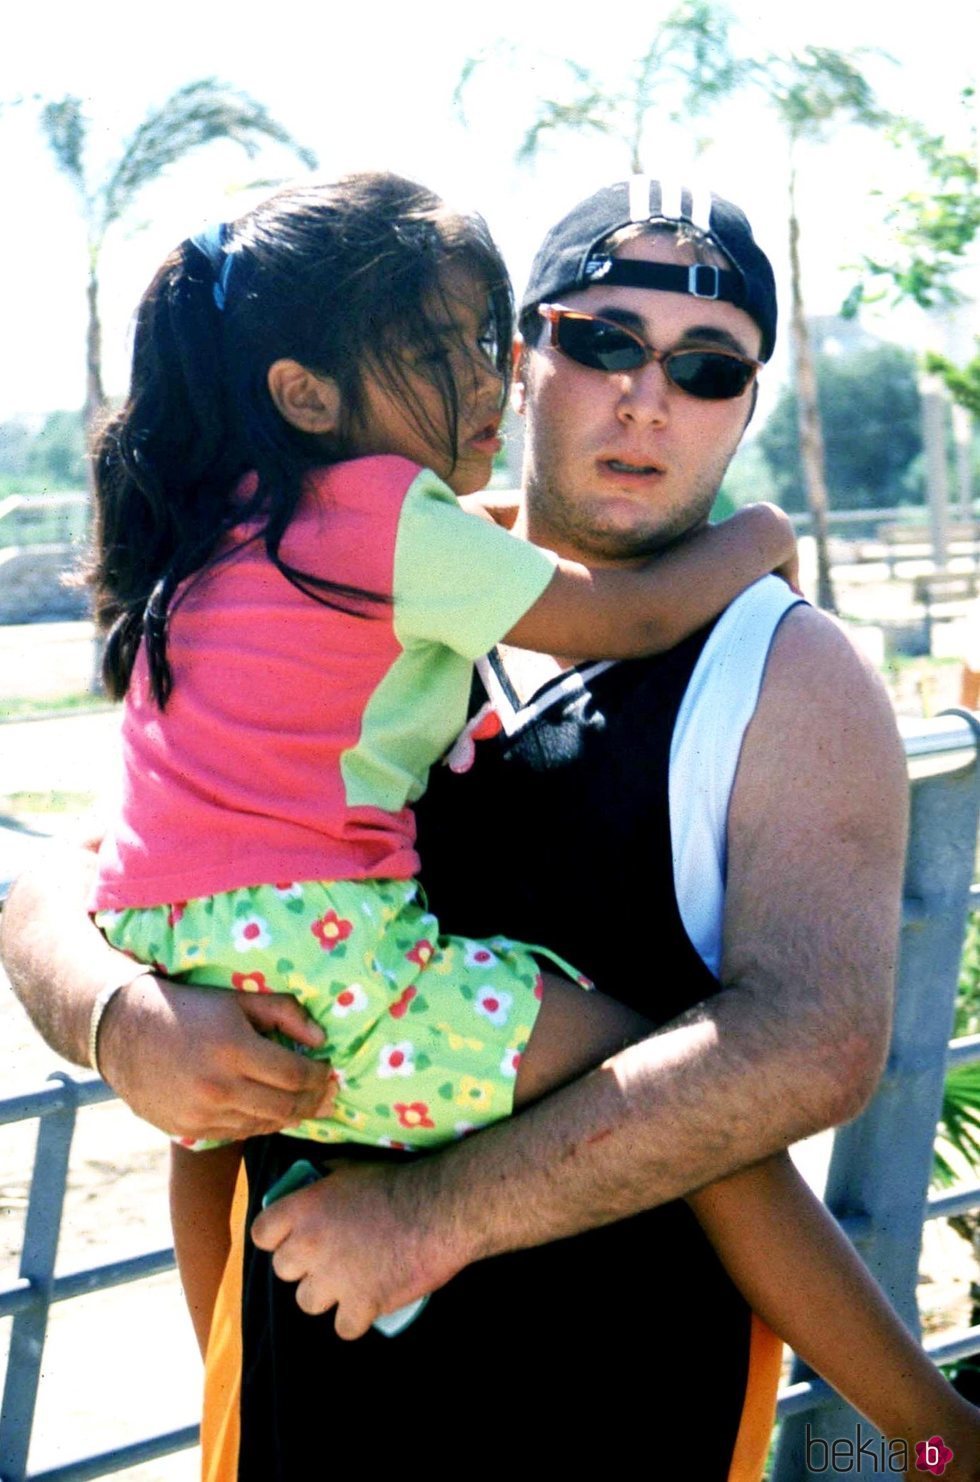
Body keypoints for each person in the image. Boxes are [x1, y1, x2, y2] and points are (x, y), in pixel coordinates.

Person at [0, 175, 960, 1480]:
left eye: (709, 365)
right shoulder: (351, 598)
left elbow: (813, 1051)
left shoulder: (782, 669)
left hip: (608, 1412)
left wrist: (426, 1217)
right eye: (603, 340)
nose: (646, 395)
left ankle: (936, 1436)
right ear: (520, 362)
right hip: (297, 1401)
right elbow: (72, 890)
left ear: (750, 402)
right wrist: (125, 1020)